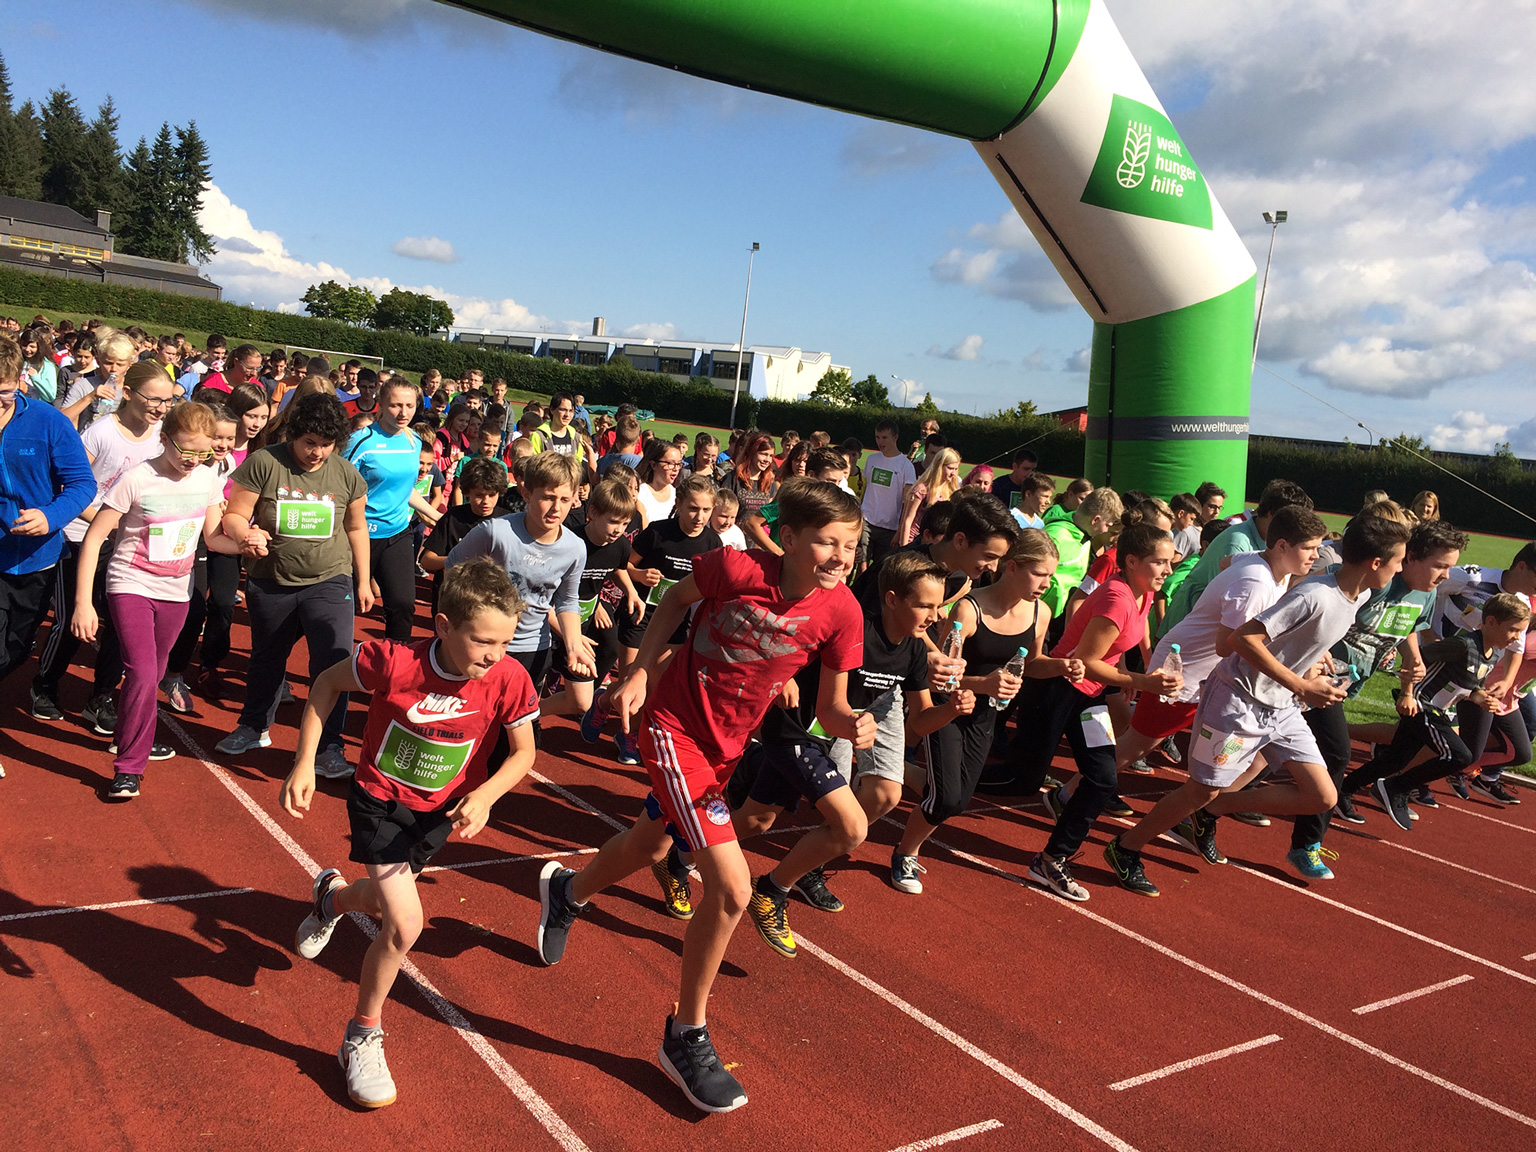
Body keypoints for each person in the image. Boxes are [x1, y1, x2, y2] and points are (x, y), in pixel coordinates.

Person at [533, 479, 871, 1114]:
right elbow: (671, 603)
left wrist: (851, 722)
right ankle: (685, 1034)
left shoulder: (842, 612)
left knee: (647, 842)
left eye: (850, 545)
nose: (840, 556)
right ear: (791, 538)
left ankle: (566, 892)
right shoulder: (735, 567)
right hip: (673, 729)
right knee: (734, 887)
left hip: (725, 749)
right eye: (828, 542)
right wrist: (637, 673)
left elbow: (832, 704)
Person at [280, 558, 539, 1109]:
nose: (495, 655)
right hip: (379, 800)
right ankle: (362, 1035)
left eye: (505, 642)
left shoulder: (509, 677)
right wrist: (305, 761)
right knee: (405, 923)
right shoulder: (391, 661)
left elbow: (525, 753)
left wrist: (487, 796)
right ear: (444, 625)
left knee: (378, 899)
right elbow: (325, 686)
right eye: (483, 641)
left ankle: (331, 900)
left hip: (439, 812)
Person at [1104, 515, 1409, 897]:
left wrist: (1319, 653)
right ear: (1375, 563)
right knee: (1201, 789)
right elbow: (1243, 640)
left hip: (1283, 709)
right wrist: (1301, 683)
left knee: (1323, 796)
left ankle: (1213, 811)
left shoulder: (1358, 595)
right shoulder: (1314, 594)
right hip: (1237, 704)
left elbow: (1303, 627)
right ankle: (1127, 847)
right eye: (1399, 561)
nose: (1401, 569)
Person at [71, 402, 254, 799]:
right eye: (184, 451)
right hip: (130, 582)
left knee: (153, 674)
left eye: (201, 453)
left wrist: (247, 543)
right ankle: (128, 768)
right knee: (139, 671)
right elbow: (96, 537)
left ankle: (128, 730)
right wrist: (83, 602)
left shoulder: (206, 478)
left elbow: (212, 539)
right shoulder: (137, 479)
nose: (191, 460)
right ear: (165, 439)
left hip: (177, 591)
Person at [891, 529, 1072, 893]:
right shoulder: (969, 609)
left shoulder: (1041, 612)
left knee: (958, 798)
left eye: (1051, 576)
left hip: (986, 714)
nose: (1046, 583)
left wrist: (1062, 666)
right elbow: (940, 673)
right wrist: (983, 683)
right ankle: (905, 854)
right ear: (1012, 567)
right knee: (946, 798)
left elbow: (1033, 662)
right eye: (1040, 574)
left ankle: (898, 770)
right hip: (949, 707)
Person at [1011, 522, 1179, 899]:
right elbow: (1086, 660)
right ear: (1132, 561)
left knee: (1102, 777)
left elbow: (1133, 641)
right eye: (1160, 563)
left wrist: (1151, 667)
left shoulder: (1144, 593)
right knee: (1017, 779)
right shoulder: (1117, 598)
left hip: (1088, 698)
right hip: (1058, 690)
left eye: (1170, 562)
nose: (1167, 571)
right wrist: (1142, 682)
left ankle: (1053, 859)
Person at [215, 393, 374, 777]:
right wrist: (246, 535)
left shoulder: (346, 474)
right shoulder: (264, 462)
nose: (316, 452)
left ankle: (328, 746)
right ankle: (254, 726)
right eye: (309, 443)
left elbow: (356, 527)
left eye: (326, 444)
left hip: (330, 578)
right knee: (267, 657)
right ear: (294, 434)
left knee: (334, 663)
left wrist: (364, 580)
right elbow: (235, 514)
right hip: (271, 579)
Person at [32, 360, 177, 731]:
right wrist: (104, 520)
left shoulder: (163, 436)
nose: (160, 408)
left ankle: (101, 696)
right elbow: (72, 487)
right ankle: (45, 684)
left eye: (167, 401)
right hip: (81, 537)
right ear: (128, 393)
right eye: (153, 399)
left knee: (118, 624)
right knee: (71, 620)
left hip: (128, 544)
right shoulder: (100, 433)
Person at [1339, 592, 1528, 831]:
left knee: (1396, 758)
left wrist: (1482, 699)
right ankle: (1396, 787)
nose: (1516, 637)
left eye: (1520, 632)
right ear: (1491, 622)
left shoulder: (1494, 653)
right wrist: (1408, 693)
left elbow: (1470, 687)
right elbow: (1416, 658)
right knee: (1461, 756)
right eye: (1512, 630)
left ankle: (1345, 790)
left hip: (1437, 709)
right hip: (1422, 704)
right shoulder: (1463, 644)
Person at [444, 451, 596, 731]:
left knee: (513, 728)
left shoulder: (575, 548)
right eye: (548, 497)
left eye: (564, 499)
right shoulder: (495, 532)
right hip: (486, 644)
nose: (556, 508)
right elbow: (454, 566)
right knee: (472, 722)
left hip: (533, 647)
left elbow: (567, 600)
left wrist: (574, 643)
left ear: (576, 497)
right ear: (526, 493)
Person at [0, 336, 95, 778]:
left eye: (0, 392)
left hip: (34, 558)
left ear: (19, 382)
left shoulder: (48, 422)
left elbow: (81, 485)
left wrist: (50, 515)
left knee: (15, 650)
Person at [609, 474, 723, 762]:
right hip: (640, 615)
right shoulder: (658, 532)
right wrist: (639, 575)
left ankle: (626, 725)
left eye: (706, 510)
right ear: (680, 504)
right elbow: (622, 565)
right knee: (630, 678)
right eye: (693, 509)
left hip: (677, 623)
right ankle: (628, 734)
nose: (699, 517)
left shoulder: (712, 542)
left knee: (655, 683)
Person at [344, 378, 437, 643]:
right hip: (358, 536)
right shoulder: (361, 442)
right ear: (381, 404)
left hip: (397, 534)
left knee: (403, 606)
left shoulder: (414, 441)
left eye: (409, 405)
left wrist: (437, 515)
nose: (403, 412)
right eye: (396, 405)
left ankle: (393, 673)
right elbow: (341, 488)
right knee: (342, 609)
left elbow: (404, 489)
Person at [543, 479, 643, 725]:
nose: (618, 529)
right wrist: (571, 633)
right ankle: (523, 717)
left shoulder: (620, 545)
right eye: (612, 521)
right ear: (592, 513)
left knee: (606, 651)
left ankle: (534, 712)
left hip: (584, 617)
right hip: (552, 619)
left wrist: (631, 591)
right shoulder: (568, 543)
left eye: (624, 523)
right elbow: (543, 597)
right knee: (535, 673)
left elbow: (616, 568)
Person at [1158, 480, 1312, 638]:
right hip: (1187, 637)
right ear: (1272, 515)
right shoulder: (1237, 542)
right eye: (1292, 523)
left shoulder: (1274, 545)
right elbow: (1233, 609)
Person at [195, 385, 272, 700]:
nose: (255, 423)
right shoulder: (210, 448)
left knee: (224, 602)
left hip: (231, 536)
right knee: (193, 603)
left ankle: (208, 663)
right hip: (198, 533)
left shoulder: (260, 453)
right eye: (250, 415)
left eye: (263, 417)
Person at [1039, 486, 1123, 629]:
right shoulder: (1056, 536)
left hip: (1057, 617)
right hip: (1040, 616)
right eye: (1107, 525)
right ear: (1095, 520)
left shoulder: (1084, 537)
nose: (1107, 531)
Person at [722, 431, 779, 541]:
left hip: (759, 544)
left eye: (770, 455)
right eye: (763, 454)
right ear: (752, 453)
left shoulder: (770, 483)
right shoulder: (733, 479)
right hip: (734, 541)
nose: (767, 460)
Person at [897, 447, 960, 546]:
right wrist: (904, 547)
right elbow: (908, 520)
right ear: (939, 466)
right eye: (950, 468)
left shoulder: (951, 491)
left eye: (956, 469)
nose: (953, 473)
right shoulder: (922, 489)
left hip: (936, 544)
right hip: (915, 541)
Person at [527, 392, 594, 478]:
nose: (567, 415)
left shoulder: (576, 438)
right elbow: (532, 469)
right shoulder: (538, 436)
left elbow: (576, 469)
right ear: (552, 409)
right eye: (563, 410)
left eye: (570, 411)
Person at [634, 439, 683, 522]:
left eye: (678, 464)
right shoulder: (641, 494)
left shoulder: (675, 493)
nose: (675, 469)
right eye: (670, 463)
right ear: (653, 465)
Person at [19, 326, 59, 404]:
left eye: (32, 347)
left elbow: (51, 396)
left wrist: (35, 378)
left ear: (39, 347)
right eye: (24, 345)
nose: (27, 349)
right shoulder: (18, 361)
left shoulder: (47, 366)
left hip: (35, 406)